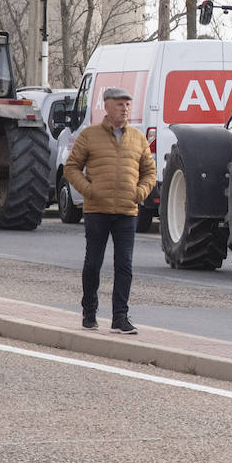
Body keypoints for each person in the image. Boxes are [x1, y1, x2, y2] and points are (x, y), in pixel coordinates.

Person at [64, 86, 155, 334]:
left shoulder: (137, 138)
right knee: (93, 263)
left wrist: (140, 192)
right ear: (107, 106)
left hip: (127, 211)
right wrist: (89, 190)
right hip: (97, 210)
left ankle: (120, 317)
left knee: (124, 264)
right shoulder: (89, 136)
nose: (125, 109)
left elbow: (150, 171)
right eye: (119, 104)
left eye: (127, 104)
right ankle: (89, 312)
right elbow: (71, 167)